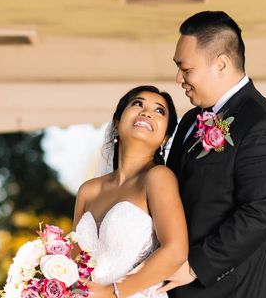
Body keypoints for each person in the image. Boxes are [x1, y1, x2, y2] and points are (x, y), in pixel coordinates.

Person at [160, 11, 266, 298]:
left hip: (228, 289)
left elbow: (261, 212)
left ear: (221, 64)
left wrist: (196, 266)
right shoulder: (190, 119)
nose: (178, 78)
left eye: (186, 69)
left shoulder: (262, 125)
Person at [73, 85, 188, 298]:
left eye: (159, 111)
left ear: (165, 139)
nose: (146, 112)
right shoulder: (88, 190)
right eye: (138, 104)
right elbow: (73, 263)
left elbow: (175, 250)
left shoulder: (158, 177)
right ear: (116, 123)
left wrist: (112, 293)